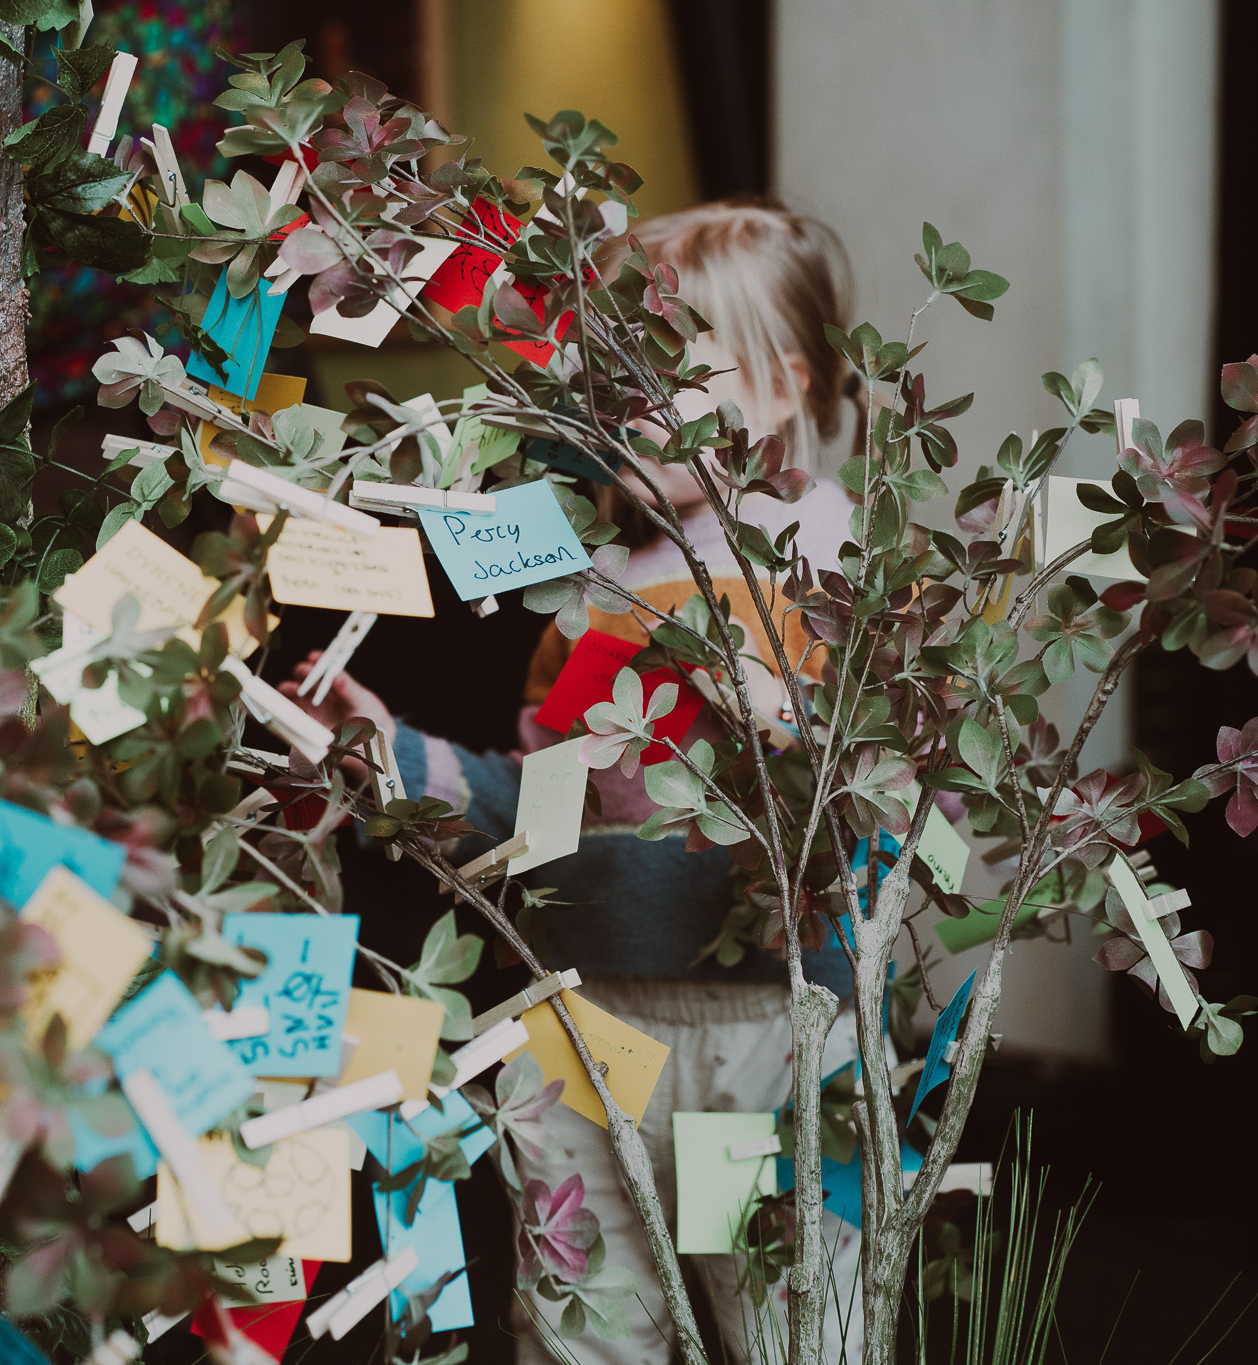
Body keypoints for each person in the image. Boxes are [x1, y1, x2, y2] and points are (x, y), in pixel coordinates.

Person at [282, 197, 871, 1364]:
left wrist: (783, 720)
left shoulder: (825, 563)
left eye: (663, 367)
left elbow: (890, 793)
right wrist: (391, 752)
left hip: (752, 1032)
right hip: (578, 1017)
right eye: (605, 369)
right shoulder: (592, 585)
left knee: (784, 1323)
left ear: (777, 387)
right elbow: (541, 805)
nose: (619, 401)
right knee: (582, 1323)